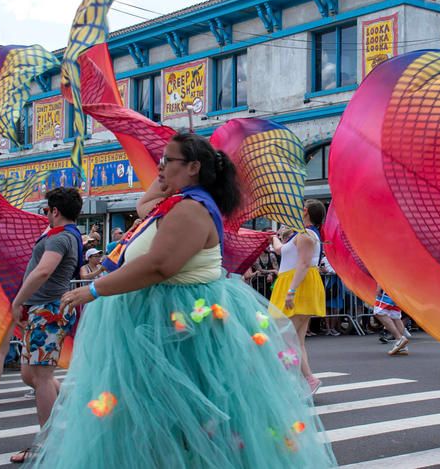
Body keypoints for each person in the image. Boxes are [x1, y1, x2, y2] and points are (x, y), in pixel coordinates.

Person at [25, 133, 336, 468]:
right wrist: (163, 180)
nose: (160, 167)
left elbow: (160, 265)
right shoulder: (179, 204)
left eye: (167, 161)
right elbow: (145, 208)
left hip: (181, 326)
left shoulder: (191, 210)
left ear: (193, 167)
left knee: (183, 418)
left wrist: (94, 289)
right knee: (156, 417)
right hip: (161, 320)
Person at [9, 187, 84, 464]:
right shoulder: (62, 235)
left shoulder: (62, 237)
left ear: (55, 211)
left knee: (40, 377)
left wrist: (18, 301)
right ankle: (77, 404)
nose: (45, 216)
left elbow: (43, 270)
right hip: (43, 311)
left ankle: (48, 445)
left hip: (48, 311)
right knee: (31, 375)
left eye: (47, 211)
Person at [269, 199, 327, 394]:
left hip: (297, 285)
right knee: (295, 340)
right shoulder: (300, 234)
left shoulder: (305, 235)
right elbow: (280, 251)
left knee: (282, 338)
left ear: (306, 212)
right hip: (294, 283)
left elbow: (303, 264)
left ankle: (292, 382)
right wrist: (272, 237)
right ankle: (308, 380)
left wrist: (291, 291)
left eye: (302, 207)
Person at [373, 286, 411, 355]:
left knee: (379, 312)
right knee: (395, 316)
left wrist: (379, 286)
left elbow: (383, 274)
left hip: (388, 286)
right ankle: (402, 347)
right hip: (399, 287)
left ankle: (399, 339)